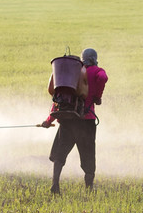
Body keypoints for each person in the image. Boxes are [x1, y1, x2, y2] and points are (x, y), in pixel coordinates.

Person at [40, 48, 108, 193]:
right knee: (88, 154)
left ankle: (55, 184)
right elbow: (103, 77)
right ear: (95, 59)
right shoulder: (96, 71)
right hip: (85, 120)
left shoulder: (72, 73)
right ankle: (89, 188)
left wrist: (48, 120)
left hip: (67, 119)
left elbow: (59, 100)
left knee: (60, 154)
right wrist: (97, 96)